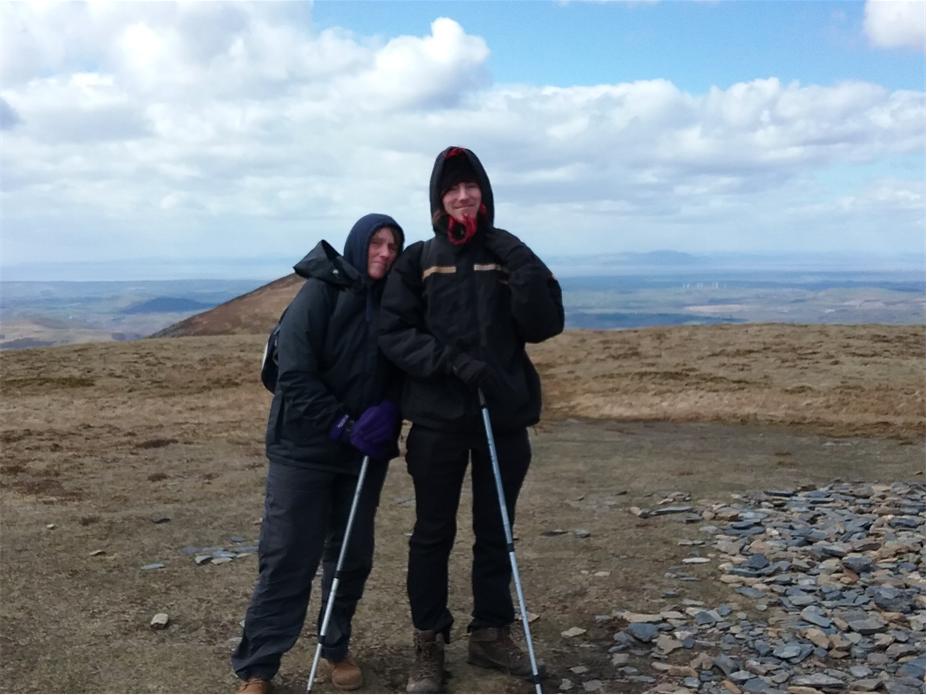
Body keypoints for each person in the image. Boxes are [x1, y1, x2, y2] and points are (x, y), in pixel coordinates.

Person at [378, 146, 564, 693]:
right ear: (438, 200)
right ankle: (427, 642)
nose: (463, 197)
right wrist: (449, 362)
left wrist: (512, 249)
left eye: (471, 188)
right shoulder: (417, 260)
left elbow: (544, 322)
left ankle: (491, 633)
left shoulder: (506, 256)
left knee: (496, 531)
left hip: (502, 417)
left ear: (484, 195)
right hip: (437, 420)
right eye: (452, 190)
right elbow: (393, 334)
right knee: (432, 533)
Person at [232, 213, 405, 694]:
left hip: (362, 454)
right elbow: (293, 375)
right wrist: (342, 425)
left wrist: (392, 408)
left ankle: (335, 646)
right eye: (377, 243)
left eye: (393, 245)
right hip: (303, 449)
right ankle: (259, 667)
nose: (385, 253)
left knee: (350, 554)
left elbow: (401, 366)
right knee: (288, 555)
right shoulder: (318, 294)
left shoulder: (394, 301)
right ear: (356, 245)